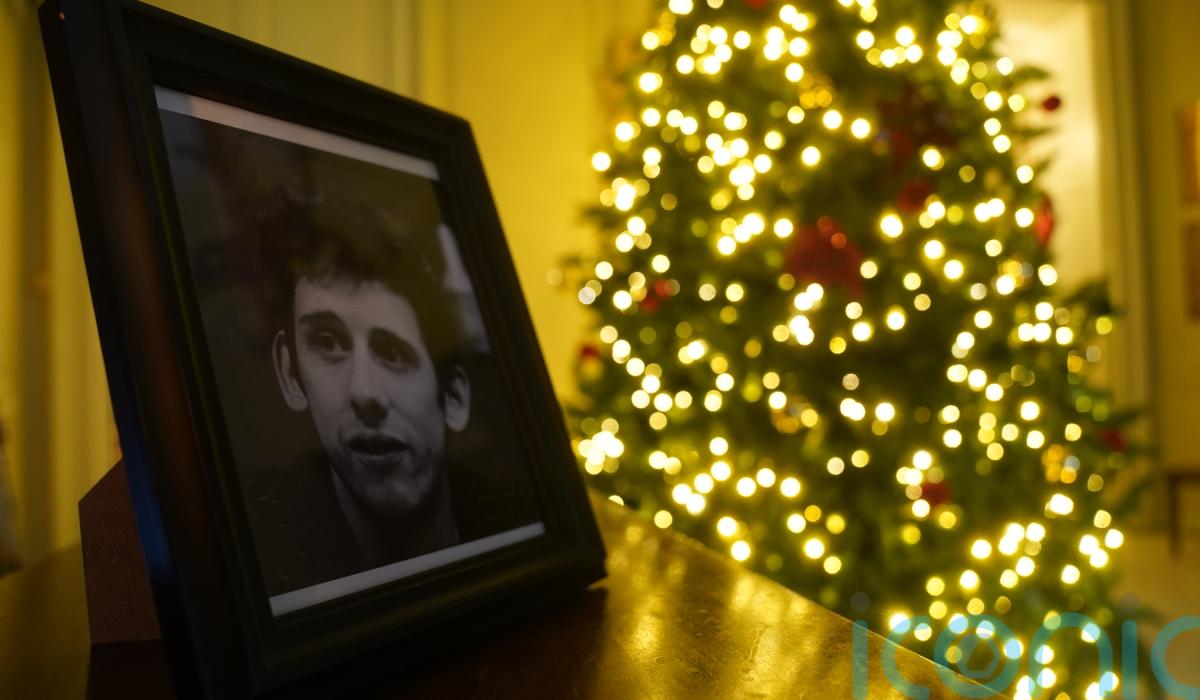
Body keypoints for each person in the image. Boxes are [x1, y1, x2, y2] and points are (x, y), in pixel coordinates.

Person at [249, 185, 473, 596]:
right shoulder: (254, 550)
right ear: (290, 374)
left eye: (392, 352)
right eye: (328, 343)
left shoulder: (514, 516)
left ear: (454, 397)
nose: (364, 392)